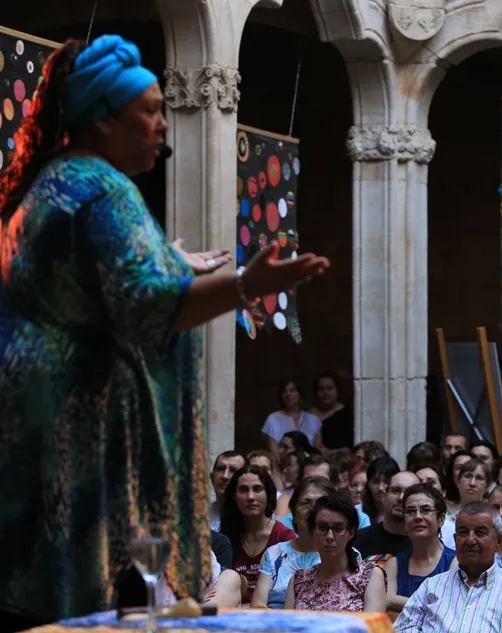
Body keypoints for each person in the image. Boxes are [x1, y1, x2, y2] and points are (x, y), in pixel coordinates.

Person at [0, 34, 327, 626]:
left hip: (40, 413)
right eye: (149, 111)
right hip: (85, 425)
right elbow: (149, 305)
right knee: (94, 603)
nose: (162, 125)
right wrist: (248, 285)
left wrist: (172, 261)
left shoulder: (52, 182)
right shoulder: (105, 192)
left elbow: (93, 292)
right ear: (103, 121)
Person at [394, 502, 502, 633]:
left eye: (480, 533)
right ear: (455, 539)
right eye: (463, 533)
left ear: (499, 541)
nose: (470, 540)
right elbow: (403, 628)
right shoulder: (431, 586)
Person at [285, 496, 386, 611]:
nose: (329, 536)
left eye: (338, 529)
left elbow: (373, 627)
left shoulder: (369, 575)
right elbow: (286, 627)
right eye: (322, 528)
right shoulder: (299, 581)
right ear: (312, 531)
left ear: (351, 533)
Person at [219, 466, 296, 603]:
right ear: (234, 497)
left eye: (257, 489)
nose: (250, 497)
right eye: (243, 490)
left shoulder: (284, 537)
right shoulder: (225, 536)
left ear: (268, 494)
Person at [250, 477, 327, 608]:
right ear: (294, 513)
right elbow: (258, 604)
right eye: (306, 502)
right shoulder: (275, 553)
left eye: (320, 503)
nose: (313, 509)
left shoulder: (347, 555)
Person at [385, 484, 456, 612]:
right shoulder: (393, 564)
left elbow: (445, 609)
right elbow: (384, 603)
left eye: (426, 510)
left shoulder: (455, 562)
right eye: (411, 511)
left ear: (441, 519)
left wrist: (394, 600)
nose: (417, 517)